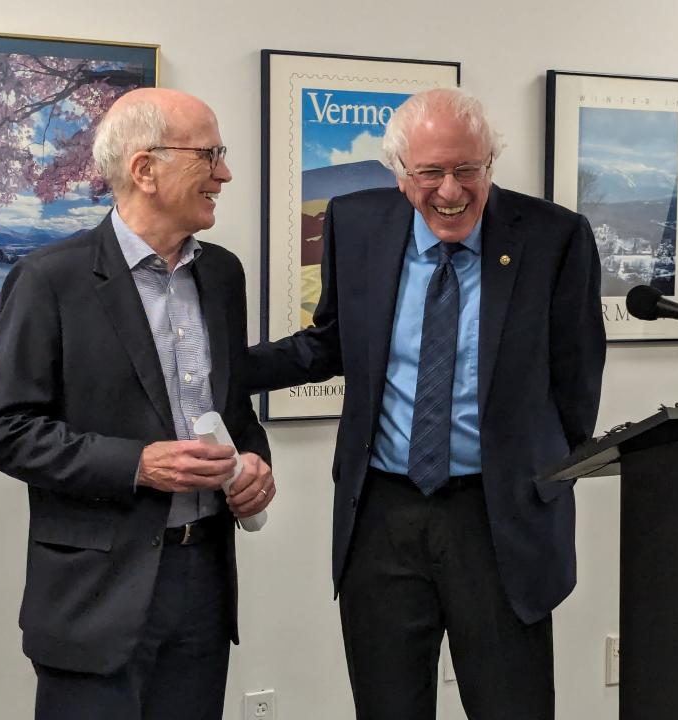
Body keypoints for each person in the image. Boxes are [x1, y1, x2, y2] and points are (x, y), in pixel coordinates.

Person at [249, 87, 605, 719]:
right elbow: (331, 342)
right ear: (399, 172)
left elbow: (577, 384)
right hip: (383, 514)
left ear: (490, 164)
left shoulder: (554, 239)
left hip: (498, 517)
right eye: (431, 173)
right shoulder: (357, 224)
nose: (450, 191)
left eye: (468, 170)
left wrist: (539, 476)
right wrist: (223, 370)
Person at [0, 88, 275, 720]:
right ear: (145, 169)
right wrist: (139, 464)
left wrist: (254, 465)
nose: (224, 172)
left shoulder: (222, 276)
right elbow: (7, 432)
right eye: (210, 154)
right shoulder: (49, 279)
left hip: (203, 583)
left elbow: (236, 412)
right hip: (94, 599)